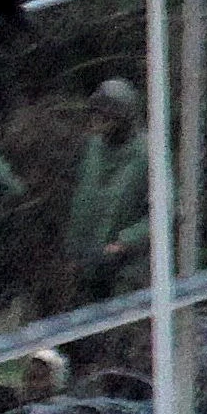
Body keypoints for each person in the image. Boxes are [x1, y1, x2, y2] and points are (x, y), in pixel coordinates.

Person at [70, 79, 151, 301]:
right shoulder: (92, 147)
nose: (97, 120)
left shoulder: (147, 154)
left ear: (122, 118)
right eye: (95, 113)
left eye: (105, 115)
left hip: (125, 276)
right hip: (87, 269)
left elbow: (166, 212)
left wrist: (125, 242)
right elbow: (80, 199)